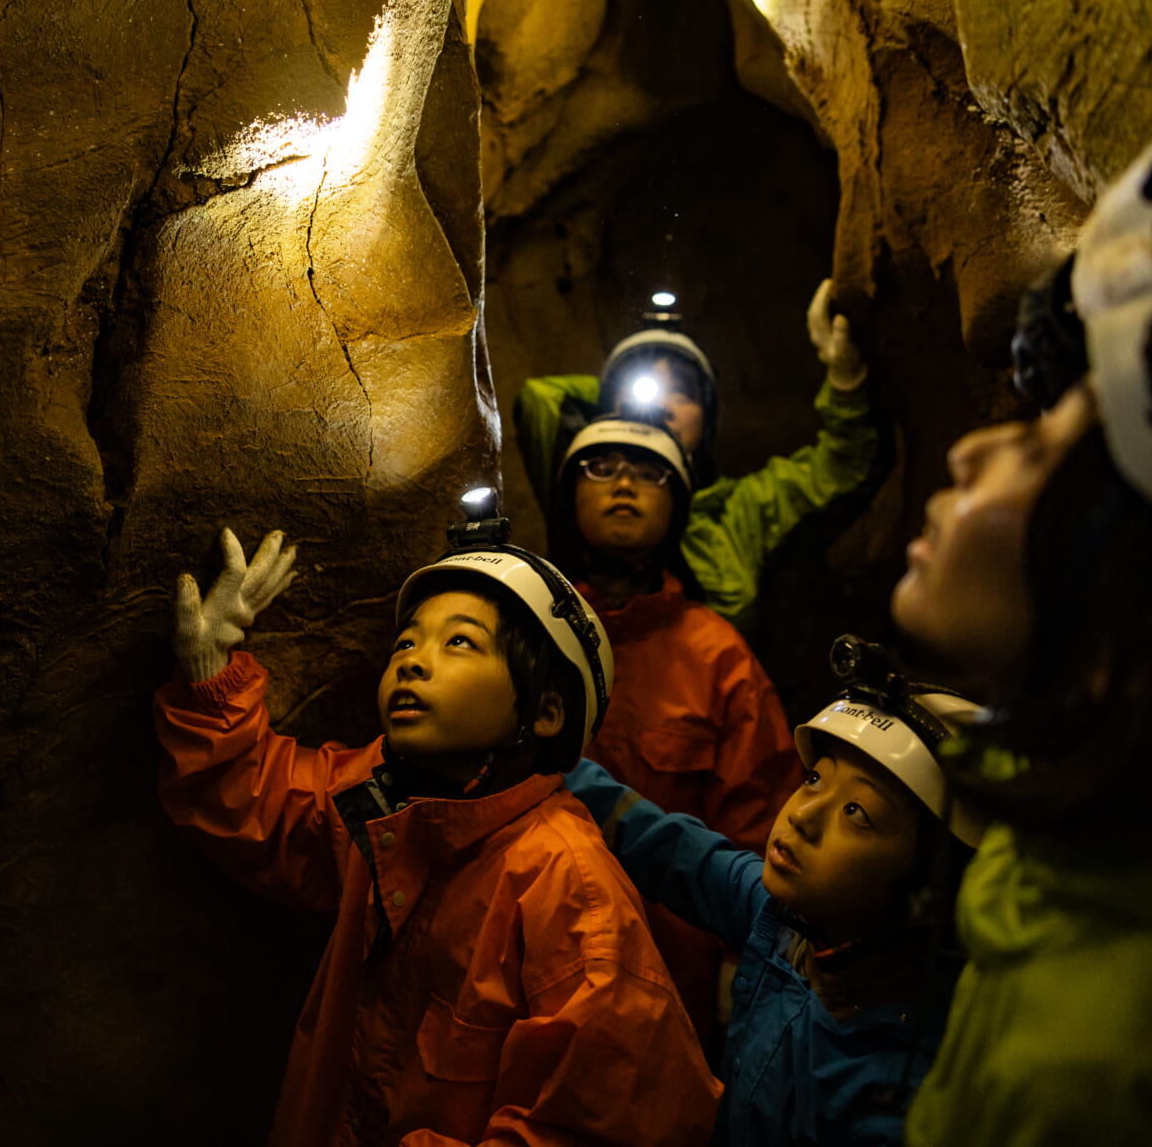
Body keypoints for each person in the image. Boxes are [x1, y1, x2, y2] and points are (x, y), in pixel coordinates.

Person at [891, 50, 1152, 1146]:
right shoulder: (1056, 870)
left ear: (1132, 589)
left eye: (1039, 445)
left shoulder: (1110, 1072)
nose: (971, 453)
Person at [154, 519, 720, 1146]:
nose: (414, 662)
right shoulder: (385, 807)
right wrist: (212, 674)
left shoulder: (568, 889)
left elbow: (602, 1124)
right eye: (405, 643)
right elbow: (262, 808)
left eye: (459, 643)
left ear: (547, 711)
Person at [565, 637, 983, 1146]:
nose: (803, 816)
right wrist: (551, 756)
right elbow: (672, 847)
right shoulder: (788, 928)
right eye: (814, 779)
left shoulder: (900, 1094)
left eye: (857, 813)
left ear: (931, 886)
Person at [550, 415, 799, 1040]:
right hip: (537, 949)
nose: (625, 483)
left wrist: (746, 957)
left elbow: (761, 824)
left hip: (672, 981)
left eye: (650, 472)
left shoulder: (718, 658)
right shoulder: (531, 634)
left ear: (679, 505)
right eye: (600, 467)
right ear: (566, 495)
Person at [515, 281, 884, 629]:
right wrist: (619, 401)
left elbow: (843, 465)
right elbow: (540, 400)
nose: (662, 405)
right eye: (648, 388)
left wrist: (845, 379)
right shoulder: (588, 483)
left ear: (707, 422)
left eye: (683, 392)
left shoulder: (738, 512)